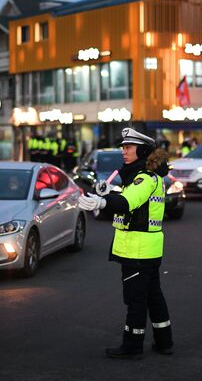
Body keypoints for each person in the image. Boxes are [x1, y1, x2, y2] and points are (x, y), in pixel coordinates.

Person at [77, 127, 173, 360]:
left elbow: (128, 202)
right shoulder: (149, 176)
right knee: (153, 296)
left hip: (137, 250)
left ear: (141, 151)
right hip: (148, 248)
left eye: (128, 147)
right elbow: (133, 198)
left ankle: (132, 346)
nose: (124, 151)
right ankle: (164, 341)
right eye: (123, 147)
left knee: (135, 300)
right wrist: (112, 191)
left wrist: (101, 202)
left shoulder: (143, 178)